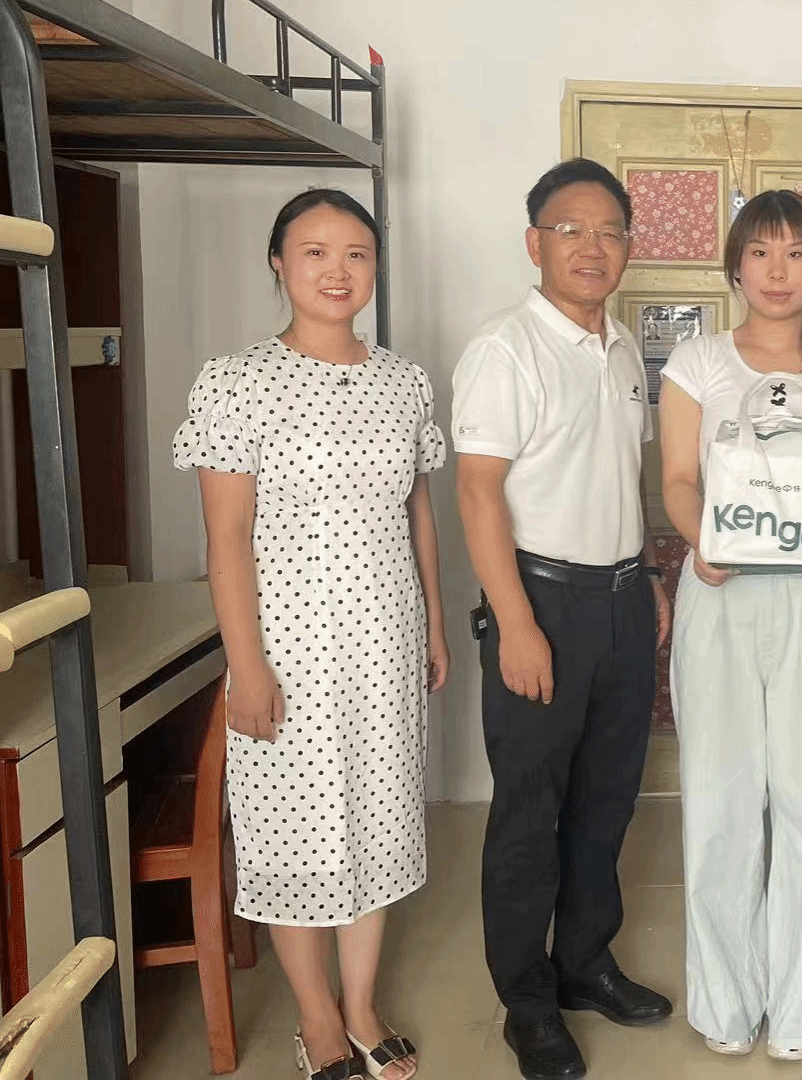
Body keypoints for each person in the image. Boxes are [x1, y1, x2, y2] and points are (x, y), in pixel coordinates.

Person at [175, 189, 447, 1081]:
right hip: (286, 650)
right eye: (316, 252)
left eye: (356, 254)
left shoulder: (403, 382)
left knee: (378, 817)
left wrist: (434, 626)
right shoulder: (236, 382)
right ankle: (317, 1018)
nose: (338, 271)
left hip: (385, 642)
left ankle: (362, 1007)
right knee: (298, 827)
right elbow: (225, 540)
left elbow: (417, 514)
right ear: (279, 264)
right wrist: (245, 666)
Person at [452, 158, 673, 1081]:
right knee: (528, 813)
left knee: (607, 799)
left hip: (620, 598)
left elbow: (621, 475)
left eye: (610, 231)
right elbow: (477, 493)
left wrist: (647, 575)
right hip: (538, 600)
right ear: (534, 242)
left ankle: (585, 963)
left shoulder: (621, 348)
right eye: (571, 229)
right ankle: (528, 1002)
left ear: (627, 246)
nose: (592, 247)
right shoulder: (505, 350)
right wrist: (516, 623)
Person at [658, 190, 802, 1062]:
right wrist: (700, 543)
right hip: (722, 597)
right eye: (760, 252)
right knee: (719, 805)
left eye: (795, 253)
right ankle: (725, 1000)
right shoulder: (699, 361)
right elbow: (679, 480)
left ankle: (798, 1004)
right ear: (736, 266)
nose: (778, 271)